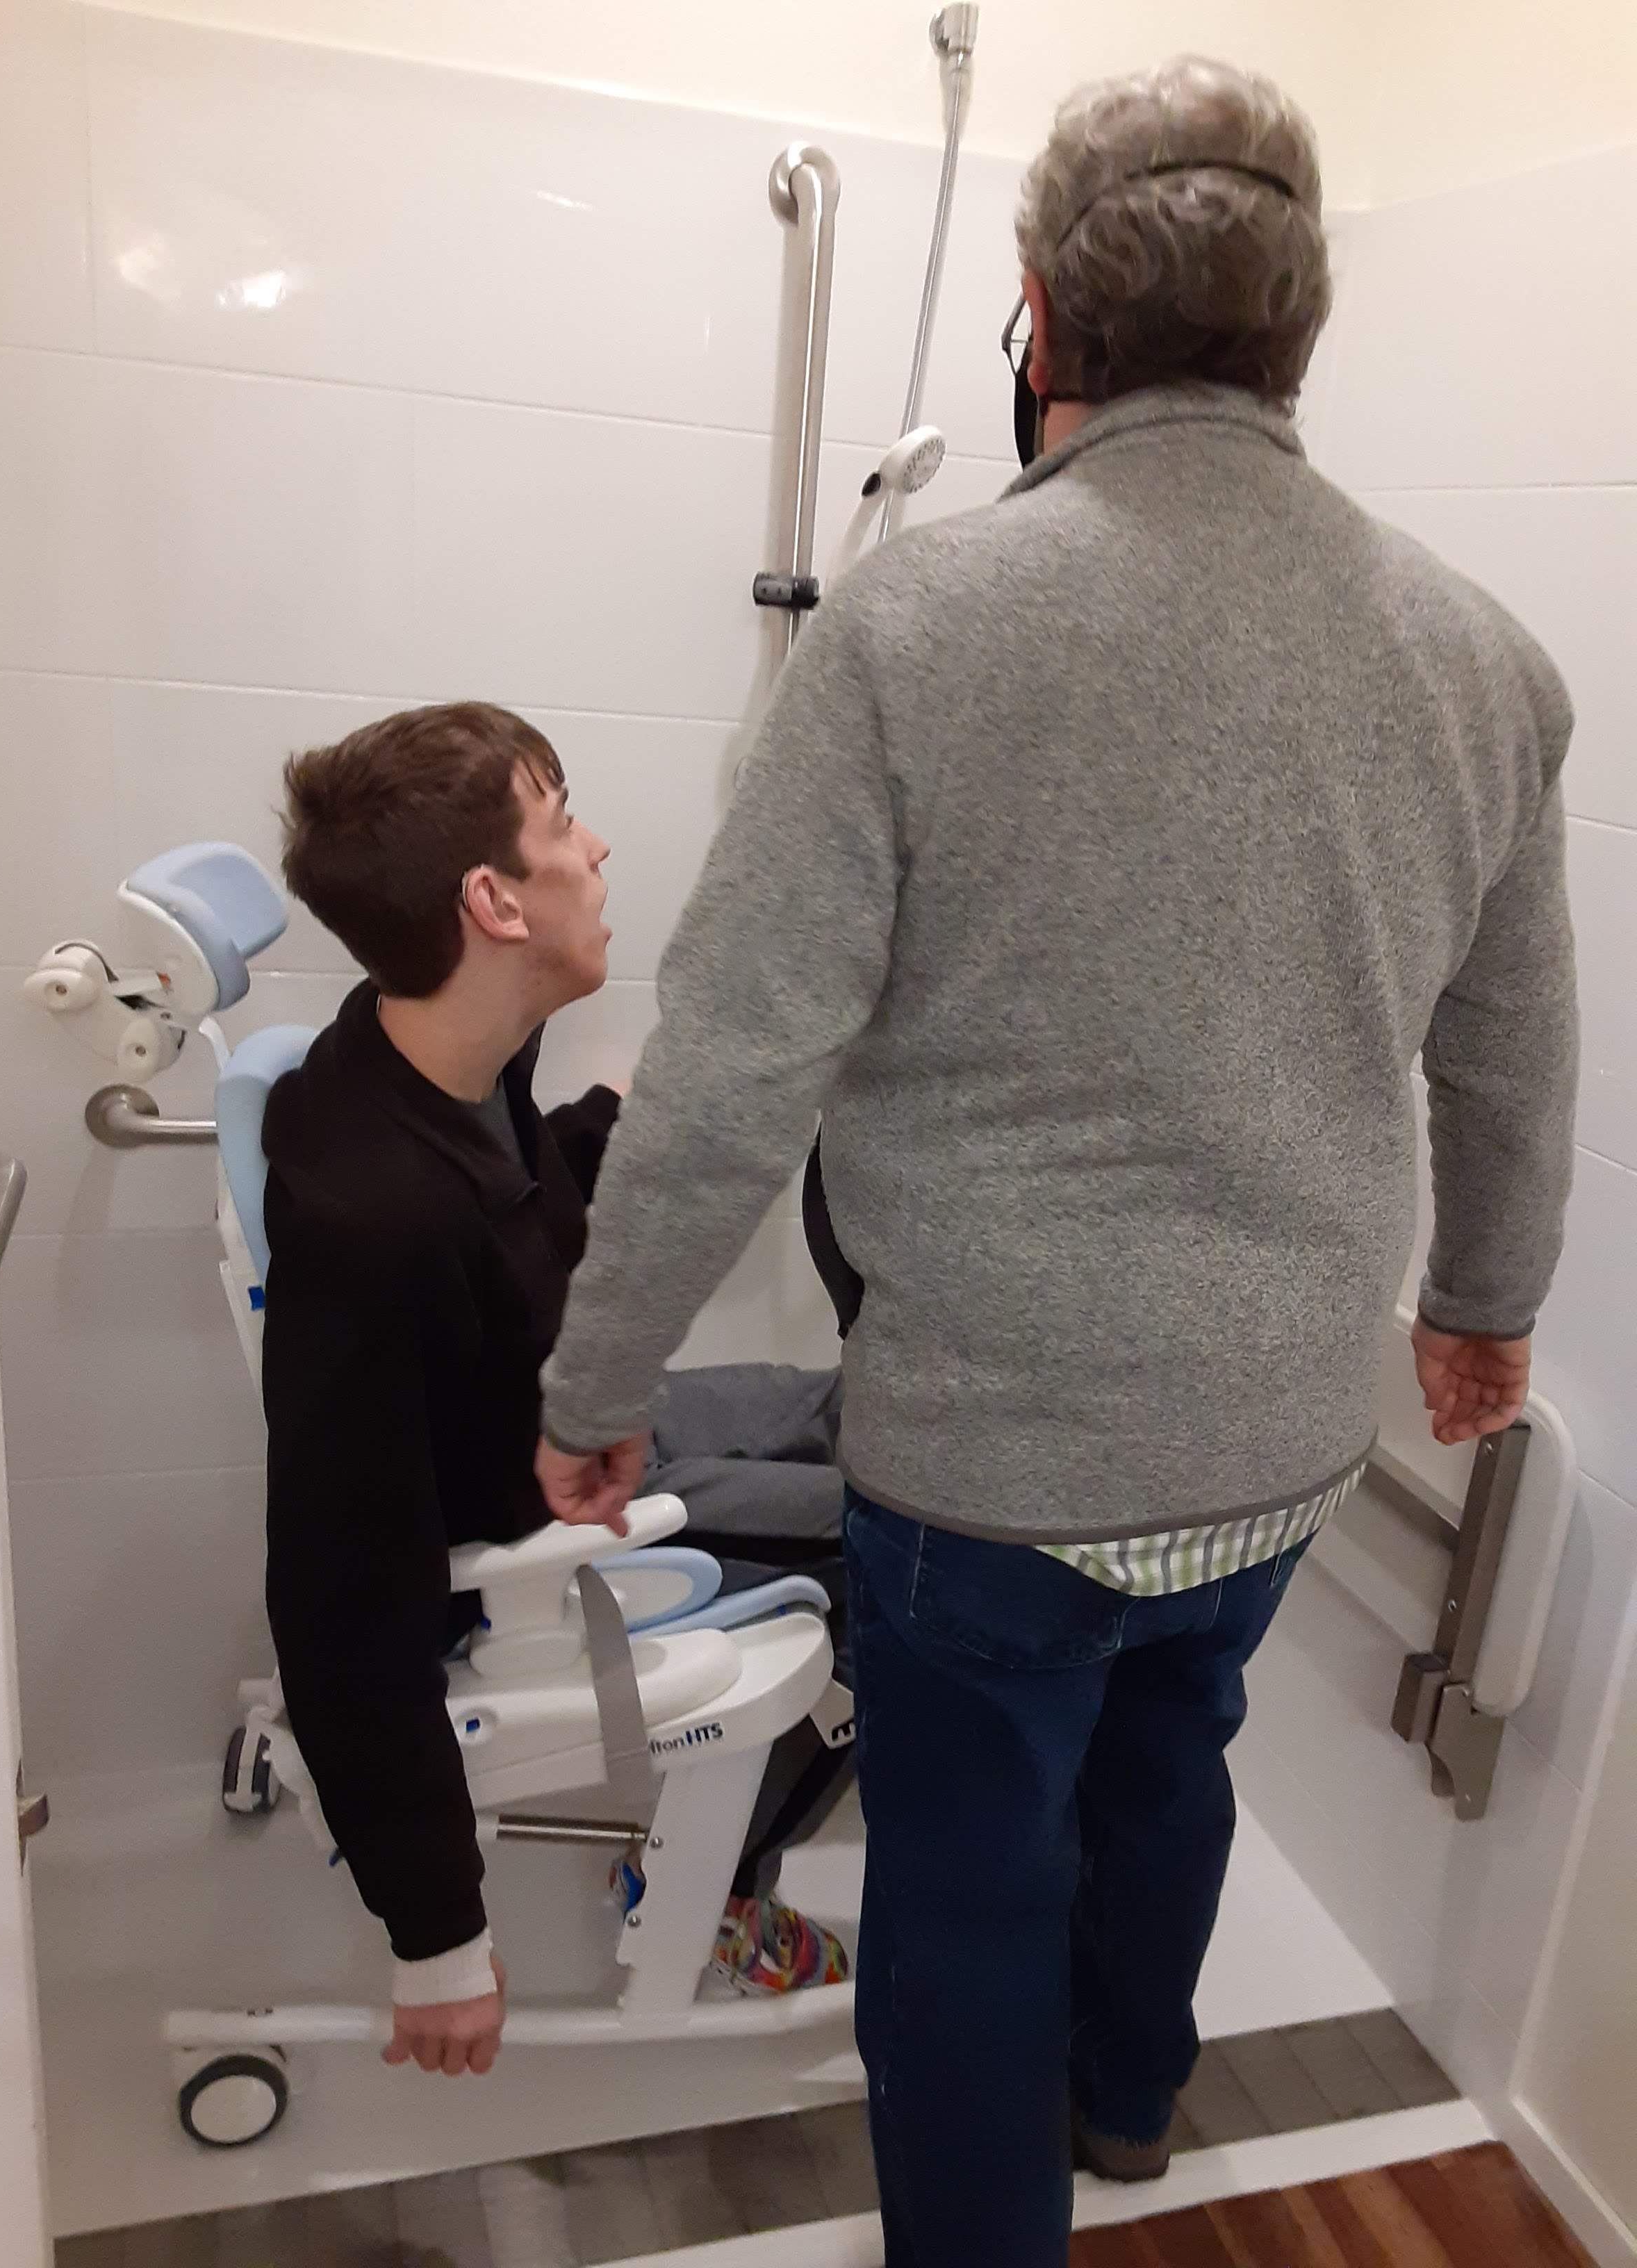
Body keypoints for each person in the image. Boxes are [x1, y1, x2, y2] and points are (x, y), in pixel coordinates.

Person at [534, 54, 1579, 2268]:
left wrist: (594, 1388)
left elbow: (727, 1070)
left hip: (997, 1463)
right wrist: (1483, 1311)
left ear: (1042, 319)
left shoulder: (920, 629)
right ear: (1301, 334)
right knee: (1173, 1752)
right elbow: (1513, 1057)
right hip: (1283, 1428)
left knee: (970, 1874)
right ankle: (1130, 2112)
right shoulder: (1482, 661)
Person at [260, 702, 853, 2087]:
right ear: (493, 900)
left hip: (553, 1418)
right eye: (562, 822)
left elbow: (516, 1217)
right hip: (545, 1511)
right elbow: (341, 1603)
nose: (597, 848)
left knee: (856, 1409)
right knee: (924, 1525)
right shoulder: (370, 1216)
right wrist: (438, 1945)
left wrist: (638, 1110)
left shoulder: (420, 1052)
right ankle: (713, 1900)